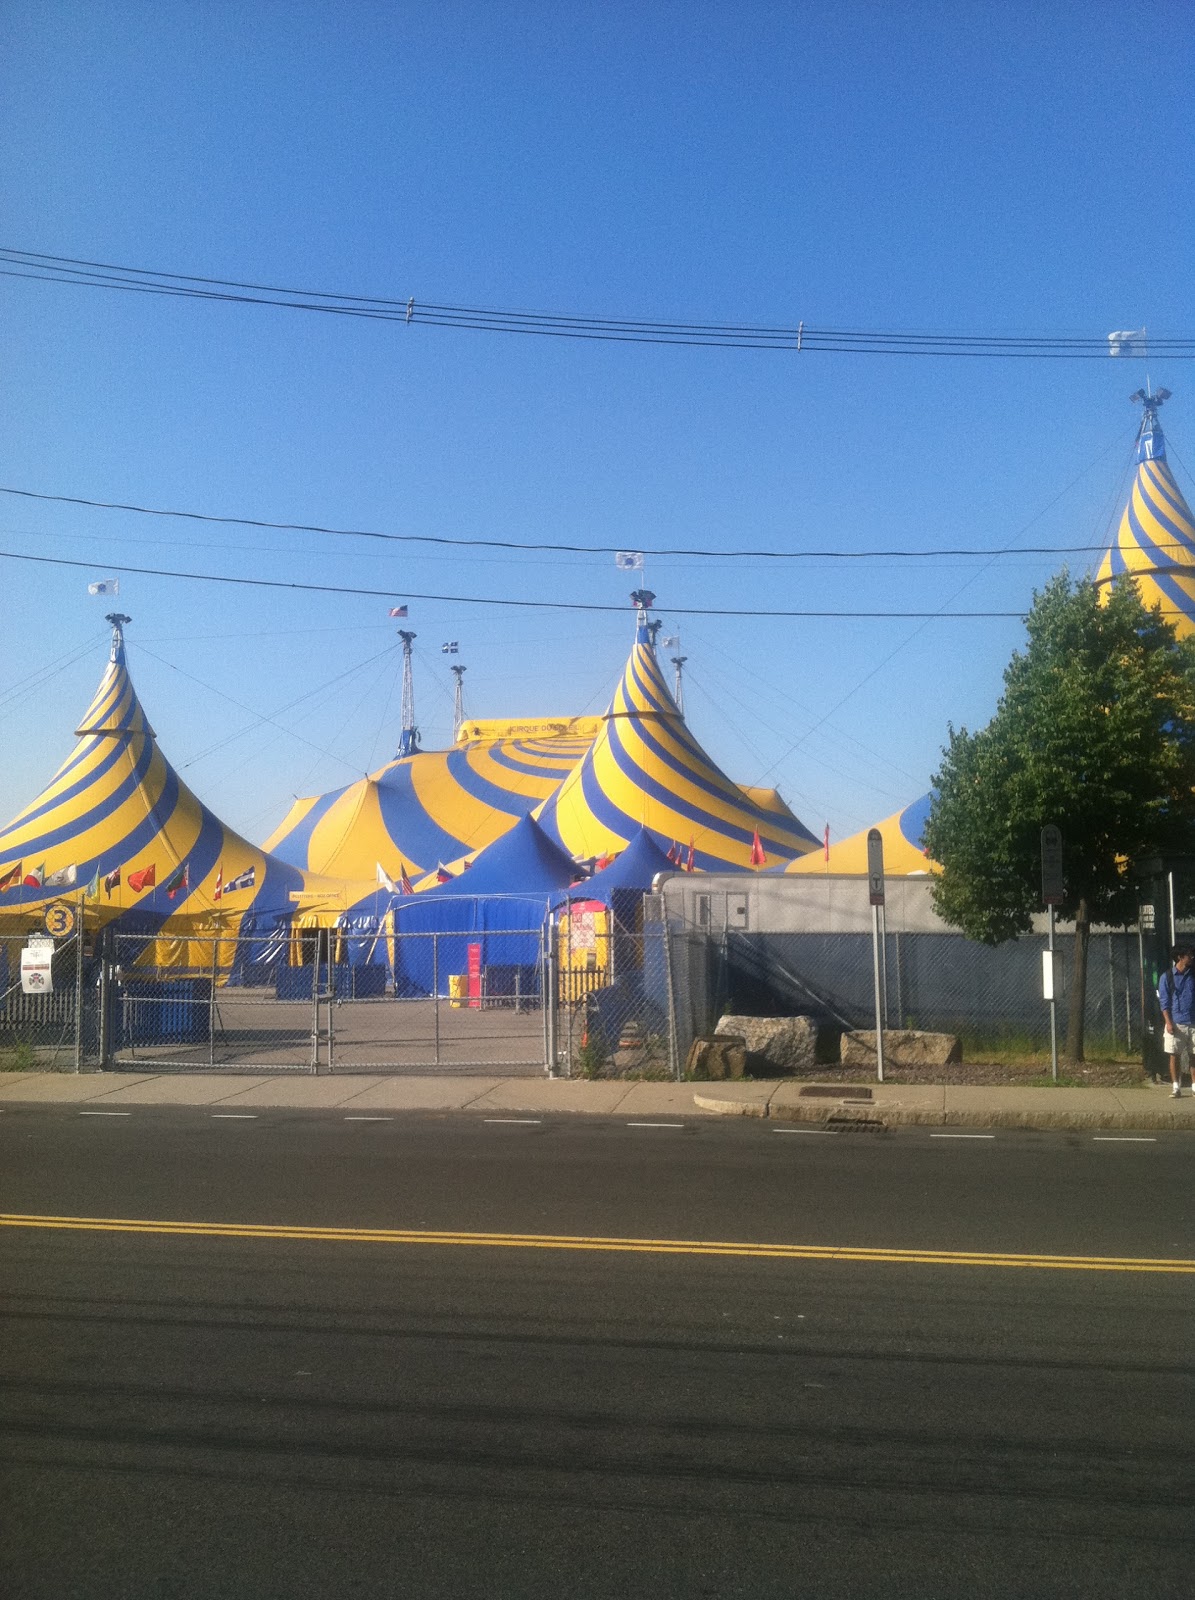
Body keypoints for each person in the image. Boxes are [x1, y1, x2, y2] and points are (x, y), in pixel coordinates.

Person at [1157, 944, 1195, 1097]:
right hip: (1176, 1022)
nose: (1192, 957)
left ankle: (1194, 1086)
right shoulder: (1167, 977)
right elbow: (1164, 1002)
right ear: (1180, 957)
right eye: (1189, 955)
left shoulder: (1193, 975)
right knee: (1175, 1054)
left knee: (1194, 1055)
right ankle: (1176, 1086)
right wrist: (1168, 1022)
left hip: (1193, 1021)